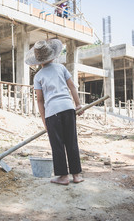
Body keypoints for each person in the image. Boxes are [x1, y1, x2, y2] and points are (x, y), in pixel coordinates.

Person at [25, 39, 84, 185]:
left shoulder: (38, 76)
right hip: (68, 108)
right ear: (52, 56)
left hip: (52, 112)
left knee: (57, 144)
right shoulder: (61, 68)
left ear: (38, 60)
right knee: (72, 142)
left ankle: (63, 177)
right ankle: (76, 175)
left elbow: (40, 100)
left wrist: (45, 121)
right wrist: (78, 104)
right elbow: (72, 87)